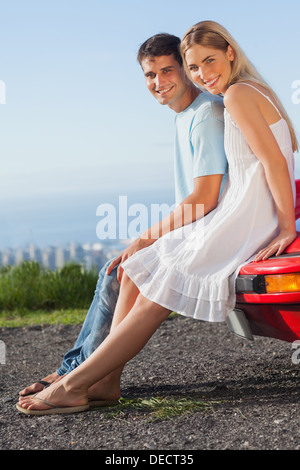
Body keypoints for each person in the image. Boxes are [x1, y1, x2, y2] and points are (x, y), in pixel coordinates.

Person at [19, 32, 227, 401]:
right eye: (150, 75)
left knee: (122, 269)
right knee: (116, 269)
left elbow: (205, 196)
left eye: (167, 71)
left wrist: (147, 237)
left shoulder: (206, 114)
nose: (158, 83)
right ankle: (80, 371)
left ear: (185, 70)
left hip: (212, 232)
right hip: (196, 226)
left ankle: (81, 375)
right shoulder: (182, 116)